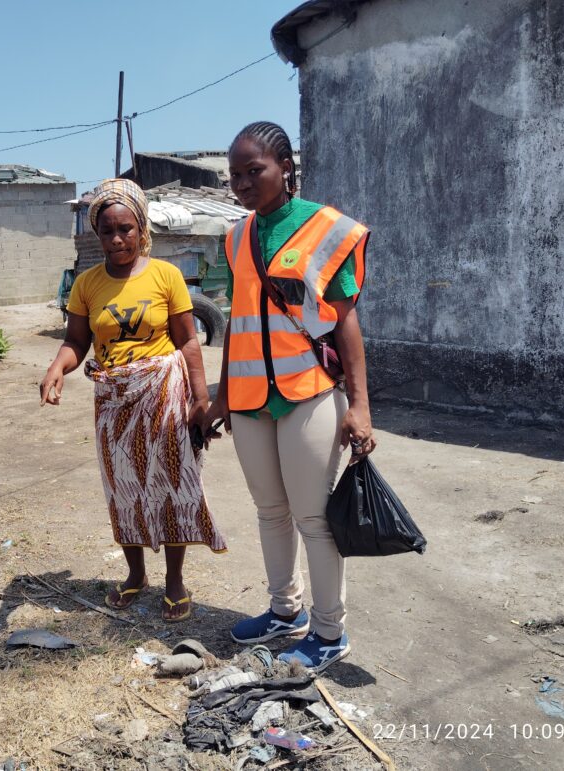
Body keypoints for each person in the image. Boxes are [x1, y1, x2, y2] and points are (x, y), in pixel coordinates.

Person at [202, 122, 375, 671]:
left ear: (285, 168)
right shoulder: (236, 238)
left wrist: (360, 406)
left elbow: (345, 322)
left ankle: (329, 632)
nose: (242, 184)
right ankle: (284, 611)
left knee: (313, 518)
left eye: (254, 171)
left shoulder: (324, 229)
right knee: (270, 512)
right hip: (251, 399)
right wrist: (223, 398)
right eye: (234, 175)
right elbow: (238, 322)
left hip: (308, 393)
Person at [40, 179, 225, 622]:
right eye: (107, 231)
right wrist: (56, 368)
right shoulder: (86, 284)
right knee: (122, 486)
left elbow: (189, 341)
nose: (117, 239)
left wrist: (201, 399)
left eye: (125, 229)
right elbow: (76, 342)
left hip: (164, 394)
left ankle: (175, 580)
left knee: (173, 484)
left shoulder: (166, 276)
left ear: (142, 229)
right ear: (97, 234)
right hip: (113, 401)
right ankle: (136, 574)